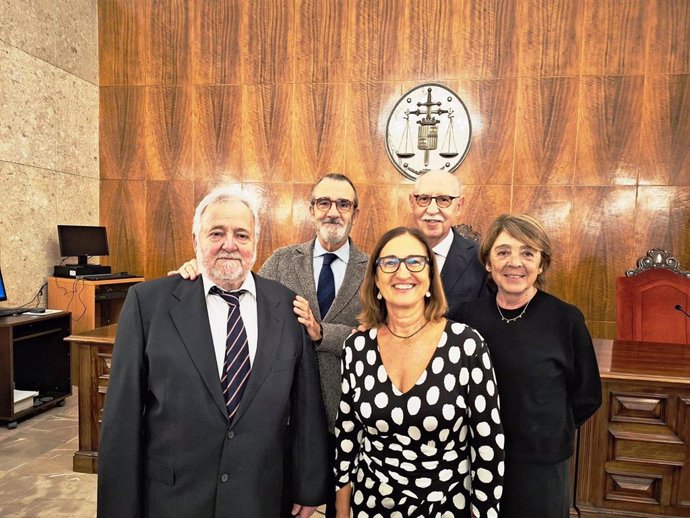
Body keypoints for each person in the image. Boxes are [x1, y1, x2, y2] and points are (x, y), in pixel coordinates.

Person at [98, 186, 329, 518]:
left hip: (260, 497)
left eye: (241, 234)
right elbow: (122, 418)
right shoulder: (148, 304)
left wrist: (309, 486)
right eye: (216, 233)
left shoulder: (288, 306)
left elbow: (306, 406)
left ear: (255, 243)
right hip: (172, 499)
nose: (229, 244)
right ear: (196, 241)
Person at [172, 173, 368, 517]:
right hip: (286, 414)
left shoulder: (373, 270)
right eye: (323, 203)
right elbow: (238, 286)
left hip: (346, 412)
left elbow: (378, 339)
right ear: (312, 210)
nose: (332, 211)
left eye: (343, 204)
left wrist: (322, 333)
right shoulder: (281, 260)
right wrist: (200, 266)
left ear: (355, 212)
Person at [334, 227, 504, 518]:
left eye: (415, 261)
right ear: (375, 278)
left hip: (448, 505)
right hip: (371, 505)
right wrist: (341, 511)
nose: (402, 272)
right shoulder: (357, 347)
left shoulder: (466, 345)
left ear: (430, 276)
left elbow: (488, 444)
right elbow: (348, 435)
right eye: (389, 262)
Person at [450, 214, 601, 518]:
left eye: (527, 253)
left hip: (540, 463)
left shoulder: (566, 319)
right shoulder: (466, 318)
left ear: (541, 264)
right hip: (475, 458)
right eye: (503, 252)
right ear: (488, 263)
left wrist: (549, 427)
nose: (514, 262)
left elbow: (587, 394)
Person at [410, 169, 488, 314]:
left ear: (458, 206)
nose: (432, 209)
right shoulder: (391, 254)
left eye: (444, 200)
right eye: (424, 199)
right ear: (412, 203)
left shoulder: (481, 260)